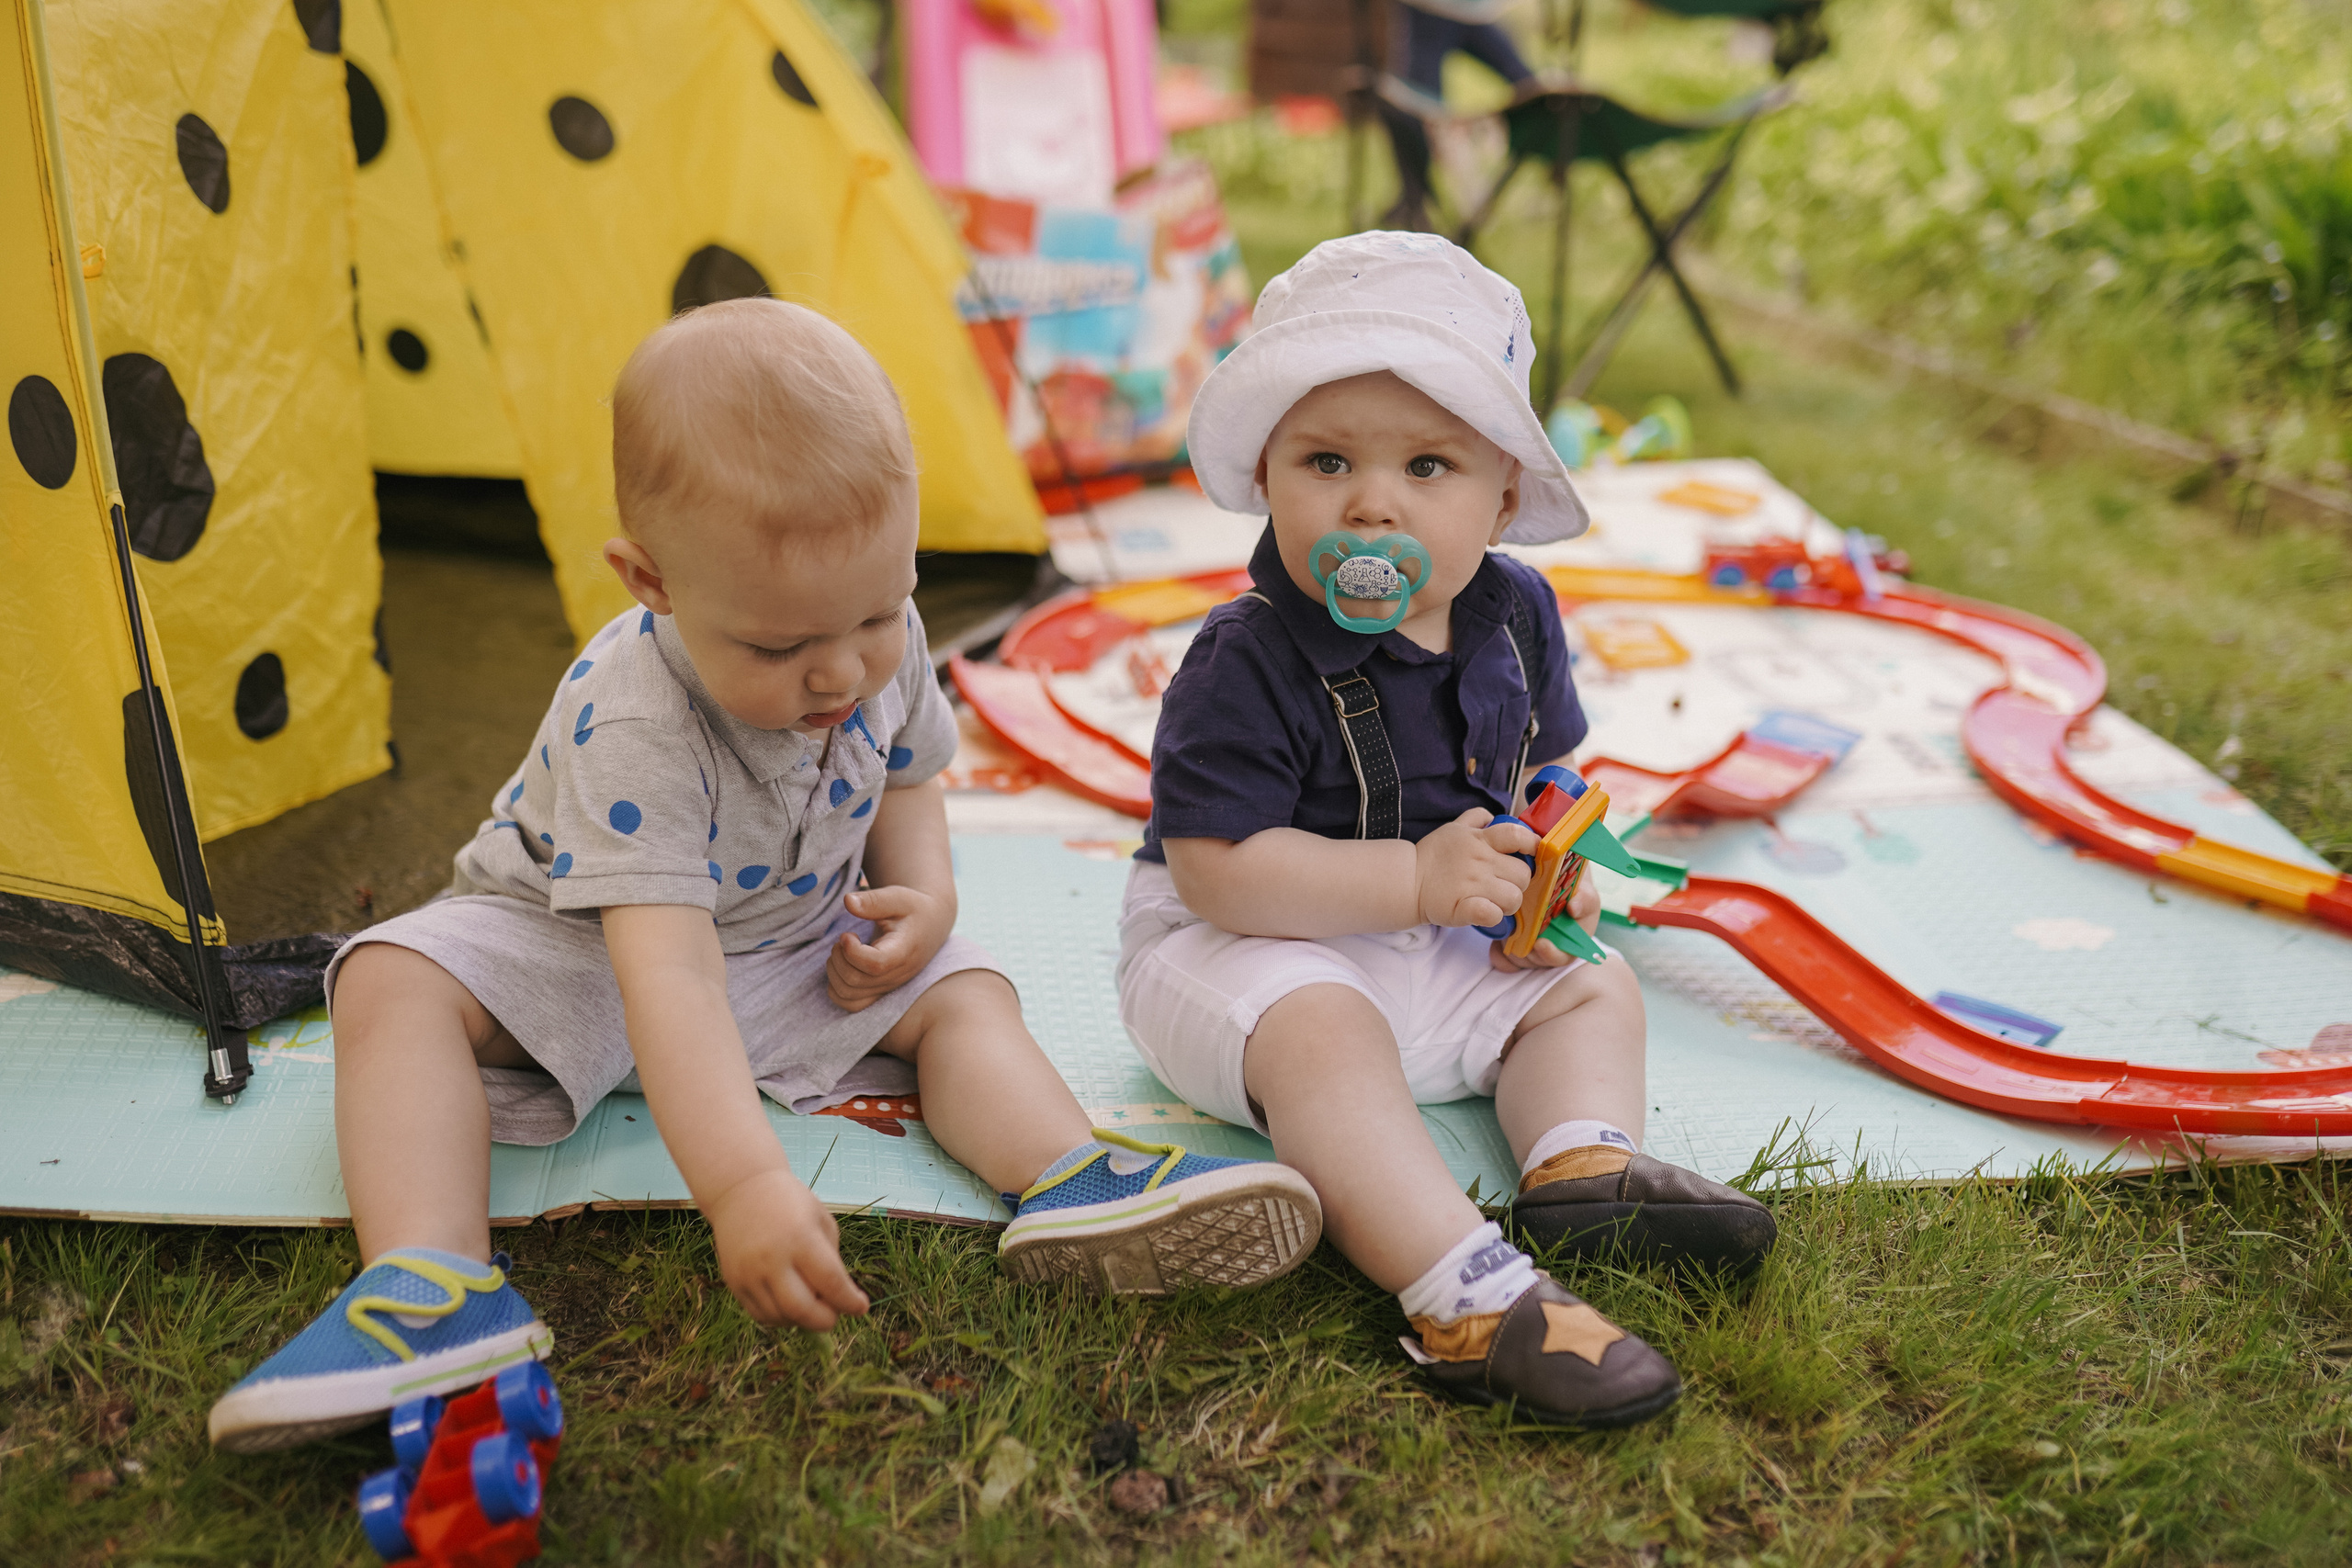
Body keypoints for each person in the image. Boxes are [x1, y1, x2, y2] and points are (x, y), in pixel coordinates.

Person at [208, 299, 1319, 1454]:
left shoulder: (873, 633)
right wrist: (742, 1187)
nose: (840, 673)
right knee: (390, 979)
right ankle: (430, 1286)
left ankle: (1072, 1180)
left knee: (964, 988)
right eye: (780, 647)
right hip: (580, 947)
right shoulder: (633, 720)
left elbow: (909, 777)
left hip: (791, 945)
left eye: (877, 614)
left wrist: (927, 899)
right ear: (650, 579)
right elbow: (669, 979)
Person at [1119, 232, 1775, 1427]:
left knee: (1591, 985)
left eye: (1428, 465)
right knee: (1326, 1036)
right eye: (1327, 460)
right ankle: (1461, 1288)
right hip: (1245, 948)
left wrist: (1552, 870)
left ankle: (1579, 1162)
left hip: (1444, 925)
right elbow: (1215, 871)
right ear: (1268, 473)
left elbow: (1543, 770)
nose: (1372, 502)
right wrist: (1415, 879)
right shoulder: (1245, 656)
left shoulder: (1516, 611)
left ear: (1503, 495)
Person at [1375, 0, 1541, 232]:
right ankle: (1414, 200)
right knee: (1413, 104)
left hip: (1467, 10)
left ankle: (1414, 199)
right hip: (1438, 11)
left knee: (1533, 90)